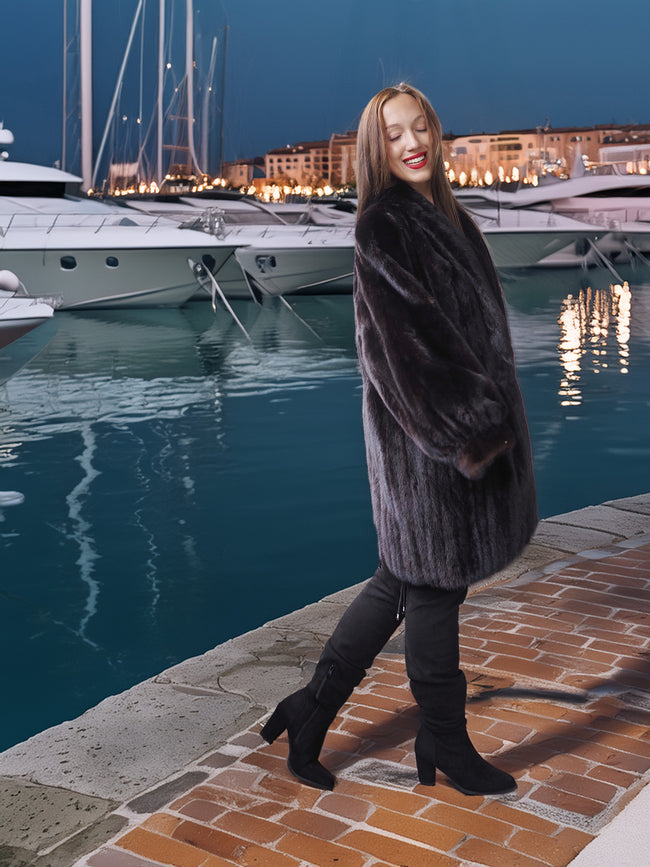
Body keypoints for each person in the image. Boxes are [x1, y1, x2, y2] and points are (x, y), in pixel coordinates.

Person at [261, 83, 538, 796]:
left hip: (431, 450)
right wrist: (472, 432)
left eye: (422, 127)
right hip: (431, 450)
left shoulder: (447, 217)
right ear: (375, 149)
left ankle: (310, 710)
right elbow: (406, 353)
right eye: (395, 133)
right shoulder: (387, 224)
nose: (413, 142)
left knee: (399, 582)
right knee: (435, 589)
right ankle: (444, 739)